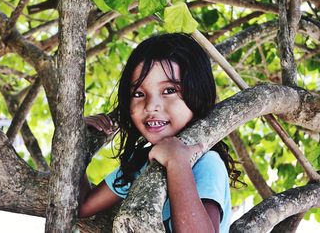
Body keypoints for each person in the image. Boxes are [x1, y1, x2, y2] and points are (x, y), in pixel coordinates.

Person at [80, 33, 242, 233]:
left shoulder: (206, 162)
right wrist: (79, 139)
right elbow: (82, 206)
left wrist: (177, 162)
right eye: (139, 94)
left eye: (169, 91)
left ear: (198, 93)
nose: (151, 106)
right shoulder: (139, 163)